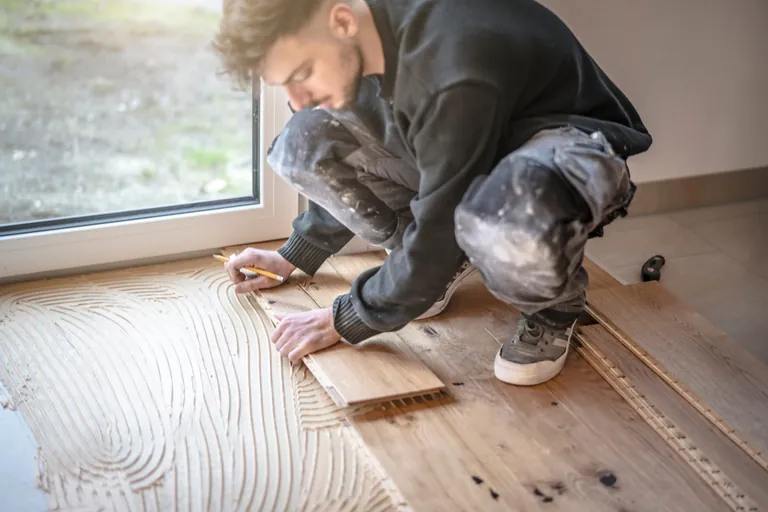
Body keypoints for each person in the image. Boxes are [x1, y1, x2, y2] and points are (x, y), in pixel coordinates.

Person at [212, 0, 652, 386]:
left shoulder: (449, 65)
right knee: (303, 141)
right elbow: (365, 127)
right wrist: (295, 254)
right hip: (470, 140)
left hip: (568, 149)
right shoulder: (368, 32)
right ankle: (439, 262)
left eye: (303, 74)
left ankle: (554, 310)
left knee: (503, 218)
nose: (298, 98)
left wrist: (346, 317)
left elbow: (440, 226)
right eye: (283, 84)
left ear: (342, 21)